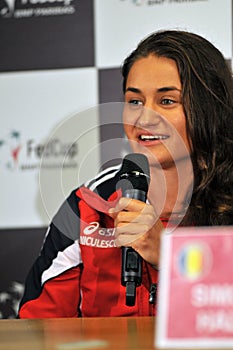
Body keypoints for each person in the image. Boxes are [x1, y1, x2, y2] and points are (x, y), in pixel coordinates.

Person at [18, 29, 233, 318]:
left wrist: (170, 258)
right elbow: (36, 324)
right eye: (135, 101)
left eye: (167, 101)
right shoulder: (89, 206)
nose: (144, 118)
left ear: (208, 109)